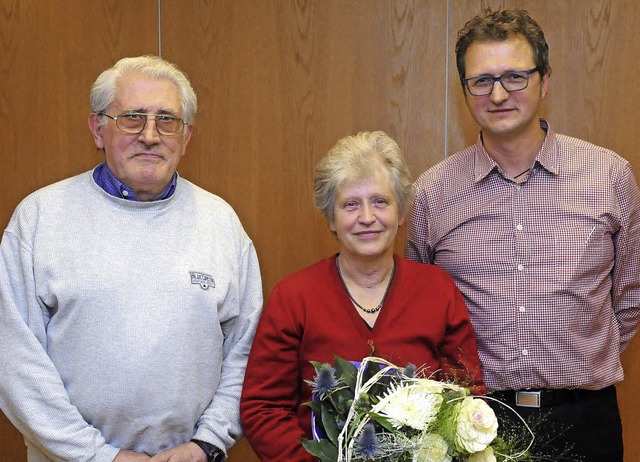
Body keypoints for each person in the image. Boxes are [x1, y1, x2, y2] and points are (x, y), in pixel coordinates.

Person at [0, 56, 263, 462]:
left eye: (167, 120)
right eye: (132, 118)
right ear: (98, 129)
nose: (150, 135)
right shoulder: (39, 219)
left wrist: (207, 443)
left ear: (187, 136)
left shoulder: (221, 222)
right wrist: (96, 456)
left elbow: (246, 349)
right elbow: (14, 360)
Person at [406, 8, 640, 462]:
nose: (498, 94)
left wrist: (580, 357)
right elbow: (420, 312)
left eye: (515, 76)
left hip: (584, 420)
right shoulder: (431, 194)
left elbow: (629, 296)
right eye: (481, 80)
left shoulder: (609, 175)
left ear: (544, 81)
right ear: (465, 90)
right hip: (471, 424)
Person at [240, 131, 484, 461]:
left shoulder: (437, 290)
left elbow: (466, 394)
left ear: (400, 213)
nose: (367, 218)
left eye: (380, 202)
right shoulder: (294, 297)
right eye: (350, 204)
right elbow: (262, 409)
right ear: (331, 219)